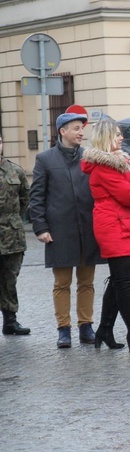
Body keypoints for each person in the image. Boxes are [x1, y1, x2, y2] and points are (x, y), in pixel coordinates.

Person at [29, 112, 105, 348]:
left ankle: (86, 326)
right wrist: (40, 227)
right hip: (59, 231)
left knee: (87, 282)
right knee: (62, 283)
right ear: (62, 131)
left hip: (87, 229)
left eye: (82, 128)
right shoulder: (45, 159)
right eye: (76, 128)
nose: (81, 132)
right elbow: (36, 197)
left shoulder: (90, 157)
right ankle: (63, 329)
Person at [81, 118, 130, 352]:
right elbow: (127, 195)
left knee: (117, 281)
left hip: (120, 225)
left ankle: (104, 329)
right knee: (124, 283)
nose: (121, 137)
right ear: (105, 137)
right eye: (117, 134)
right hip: (113, 226)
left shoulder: (118, 162)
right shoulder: (105, 167)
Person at [0, 134, 31, 335]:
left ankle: (10, 321)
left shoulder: (15, 171)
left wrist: (12, 220)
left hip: (11, 235)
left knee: (9, 278)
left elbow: (24, 200)